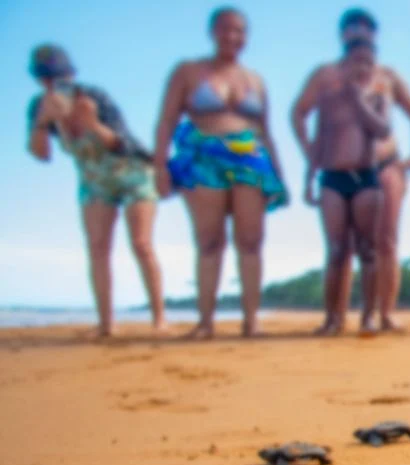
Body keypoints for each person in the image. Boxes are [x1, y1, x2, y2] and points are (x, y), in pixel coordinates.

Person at [292, 9, 410, 335]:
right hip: (336, 167)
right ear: (342, 35)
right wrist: (311, 155)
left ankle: (384, 314)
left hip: (385, 165)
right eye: (353, 28)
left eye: (367, 28)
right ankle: (335, 317)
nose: (361, 32)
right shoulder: (325, 77)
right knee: (339, 248)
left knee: (385, 242)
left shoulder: (386, 77)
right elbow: (299, 114)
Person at [154, 7, 288, 340]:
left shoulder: (255, 80)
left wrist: (279, 175)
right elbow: (167, 120)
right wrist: (159, 166)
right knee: (210, 241)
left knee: (251, 242)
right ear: (212, 32)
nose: (232, 37)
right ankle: (205, 322)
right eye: (226, 29)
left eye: (239, 31)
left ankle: (251, 321)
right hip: (203, 157)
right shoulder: (188, 71)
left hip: (250, 160)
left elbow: (266, 130)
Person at [25, 45, 165, 339]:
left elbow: (122, 143)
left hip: (133, 170)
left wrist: (93, 123)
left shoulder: (95, 98)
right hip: (93, 177)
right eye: (47, 80)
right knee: (98, 247)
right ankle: (106, 324)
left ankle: (159, 318)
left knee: (141, 243)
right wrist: (42, 122)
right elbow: (42, 155)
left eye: (61, 78)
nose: (55, 85)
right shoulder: (39, 108)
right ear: (39, 82)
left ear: (72, 75)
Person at [294, 39, 391, 336]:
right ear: (344, 64)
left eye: (367, 63)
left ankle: (368, 317)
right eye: (355, 62)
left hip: (366, 178)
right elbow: (320, 139)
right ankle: (332, 318)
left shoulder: (377, 98)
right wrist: (309, 178)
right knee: (336, 250)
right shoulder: (328, 99)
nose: (361, 68)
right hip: (332, 178)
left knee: (369, 249)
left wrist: (357, 99)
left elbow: (383, 129)